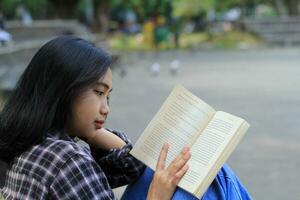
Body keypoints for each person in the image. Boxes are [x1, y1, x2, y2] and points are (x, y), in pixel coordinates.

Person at [0, 36, 191, 199]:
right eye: (99, 93)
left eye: (107, 97)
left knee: (160, 172)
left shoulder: (28, 143)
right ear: (64, 89)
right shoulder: (68, 161)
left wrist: (91, 133)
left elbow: (133, 167)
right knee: (213, 178)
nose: (106, 109)